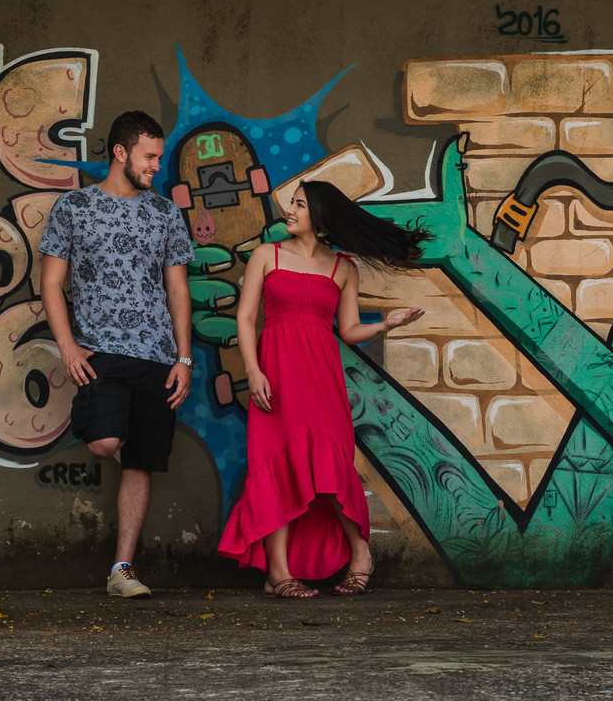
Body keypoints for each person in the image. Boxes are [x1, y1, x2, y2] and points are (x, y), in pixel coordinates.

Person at [217, 180, 430, 598]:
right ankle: (278, 573)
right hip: (274, 379)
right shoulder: (266, 255)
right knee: (274, 466)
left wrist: (387, 324)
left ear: (319, 215)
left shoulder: (341, 268)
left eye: (299, 205)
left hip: (322, 381)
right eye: (291, 204)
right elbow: (245, 319)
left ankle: (360, 554)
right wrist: (253, 370)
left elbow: (348, 332)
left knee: (330, 467)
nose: (290, 211)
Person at [39, 110, 195, 598]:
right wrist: (67, 346)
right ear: (121, 153)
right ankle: (115, 426)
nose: (156, 167)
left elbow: (177, 290)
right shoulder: (74, 208)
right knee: (106, 442)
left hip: (157, 355)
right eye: (149, 157)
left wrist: (184, 359)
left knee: (141, 463)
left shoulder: (166, 213)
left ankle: (121, 570)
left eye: (159, 157)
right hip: (101, 351)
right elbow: (50, 283)